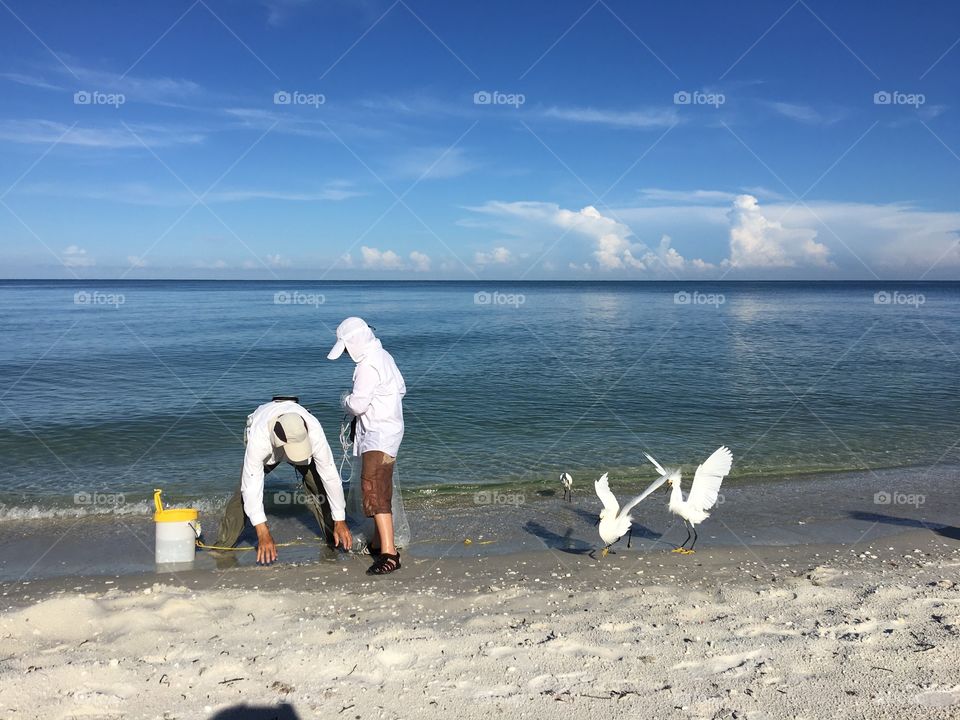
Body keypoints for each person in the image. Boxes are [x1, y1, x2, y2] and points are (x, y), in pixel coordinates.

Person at [214, 398, 352, 564]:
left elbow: (330, 476)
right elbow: (251, 487)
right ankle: (222, 546)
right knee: (243, 495)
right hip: (268, 445)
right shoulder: (259, 439)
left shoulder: (313, 430)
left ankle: (334, 538)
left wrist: (340, 519)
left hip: (300, 440)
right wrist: (262, 532)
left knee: (319, 487)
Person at [328, 317, 406, 575]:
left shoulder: (367, 365)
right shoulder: (384, 356)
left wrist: (345, 401)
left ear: (355, 342)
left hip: (377, 435)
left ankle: (389, 554)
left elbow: (359, 404)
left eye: (348, 348)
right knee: (380, 487)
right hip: (389, 431)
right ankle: (378, 542)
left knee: (374, 489)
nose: (348, 354)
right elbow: (401, 390)